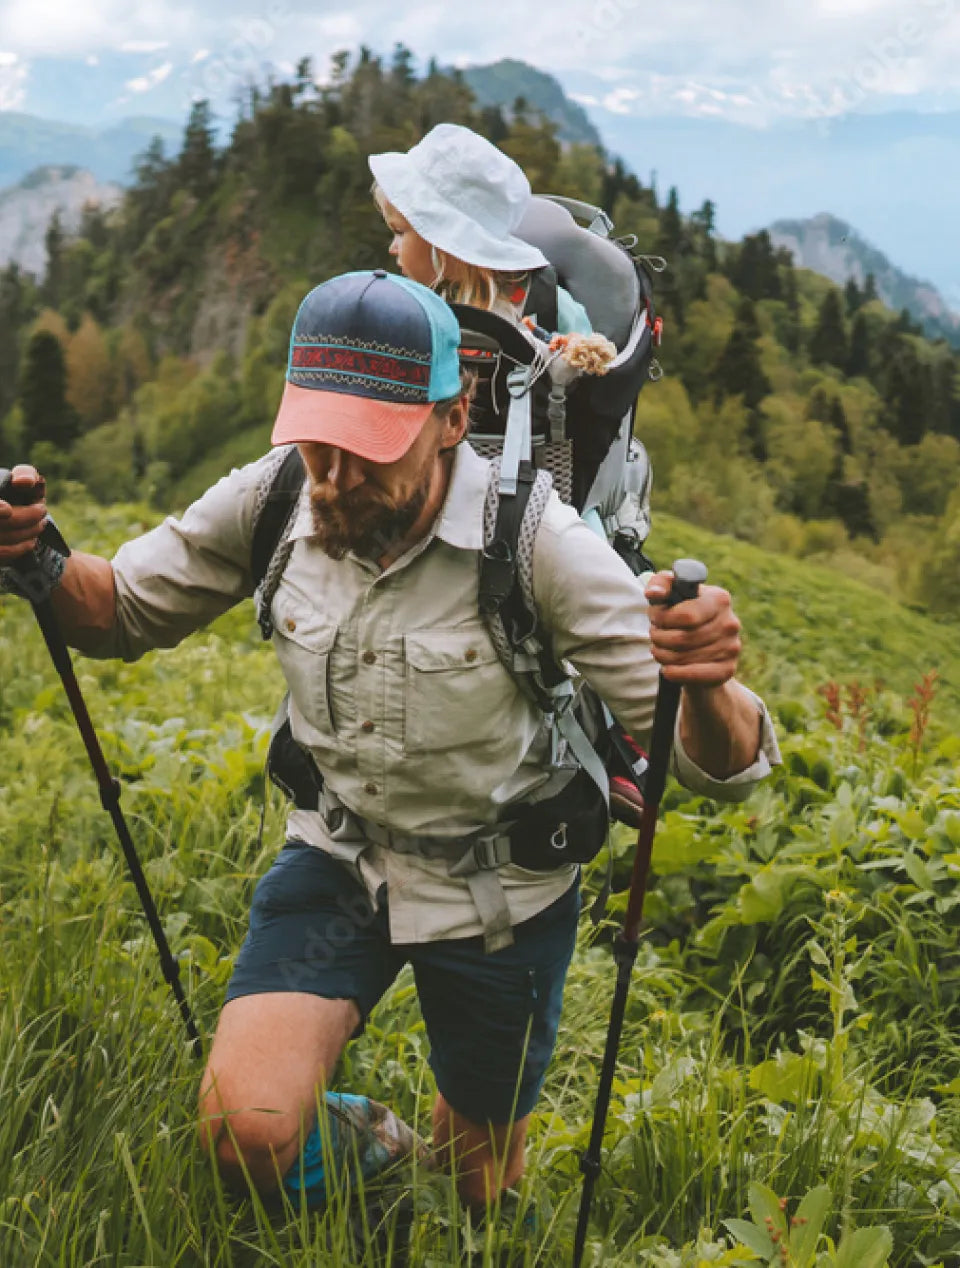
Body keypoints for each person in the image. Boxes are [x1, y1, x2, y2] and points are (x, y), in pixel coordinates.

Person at [0, 268, 780, 1217]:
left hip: (505, 891)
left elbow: (720, 769)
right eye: (319, 440)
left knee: (476, 1195)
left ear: (452, 420)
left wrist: (703, 681)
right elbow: (119, 609)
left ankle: (422, 1197)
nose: (336, 474)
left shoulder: (538, 543)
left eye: (369, 446)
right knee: (243, 1133)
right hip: (340, 853)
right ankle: (373, 1153)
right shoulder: (281, 495)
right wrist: (37, 559)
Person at [369, 121, 592, 335]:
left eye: (400, 232)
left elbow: (589, 358)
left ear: (444, 243)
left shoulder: (545, 304)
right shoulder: (412, 306)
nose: (392, 249)